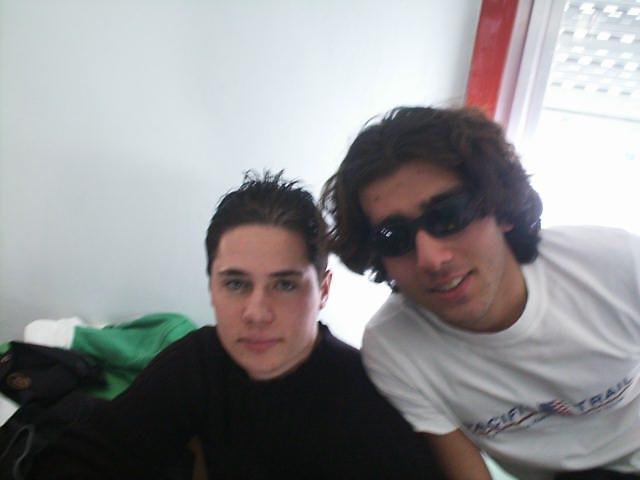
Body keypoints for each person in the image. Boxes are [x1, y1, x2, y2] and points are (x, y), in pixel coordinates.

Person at [30, 172, 441, 479]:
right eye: (236, 284)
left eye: (284, 284)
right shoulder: (201, 362)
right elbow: (84, 456)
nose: (256, 313)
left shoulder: (372, 403)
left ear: (323, 291)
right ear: (211, 286)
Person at [321, 106, 640, 480]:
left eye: (448, 216)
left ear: (500, 209)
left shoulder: (613, 262)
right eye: (394, 237)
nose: (431, 258)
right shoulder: (393, 347)